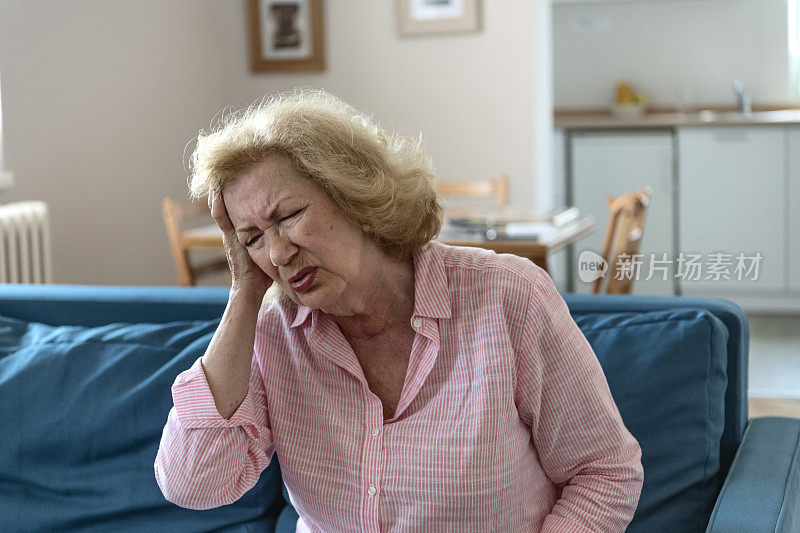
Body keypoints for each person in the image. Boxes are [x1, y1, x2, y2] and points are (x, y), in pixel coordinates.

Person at [154, 89, 643, 531]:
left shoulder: (507, 296)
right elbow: (194, 484)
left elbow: (604, 472)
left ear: (354, 194)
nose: (278, 254)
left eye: (289, 216)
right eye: (253, 238)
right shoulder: (271, 334)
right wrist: (244, 290)